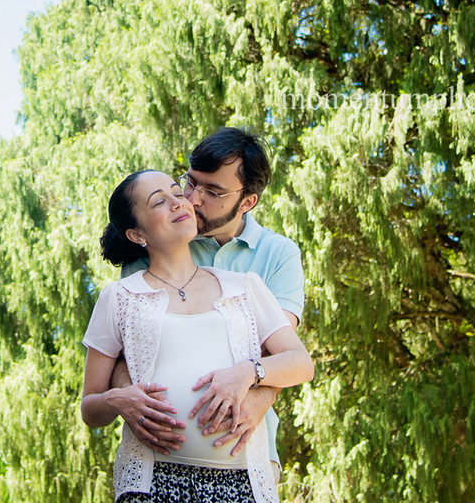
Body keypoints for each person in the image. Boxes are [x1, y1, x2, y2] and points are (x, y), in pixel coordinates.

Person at [81, 171, 313, 503]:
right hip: (150, 484)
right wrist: (118, 401)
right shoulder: (118, 297)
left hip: (243, 484)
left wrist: (250, 371)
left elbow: (301, 364)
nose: (180, 203)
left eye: (178, 193)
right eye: (160, 201)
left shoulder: (244, 287)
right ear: (136, 234)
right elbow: (90, 408)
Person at [114, 128, 304, 472]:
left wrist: (260, 397)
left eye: (213, 191)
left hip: (245, 454)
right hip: (153, 460)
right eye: (191, 182)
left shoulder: (279, 254)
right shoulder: (156, 241)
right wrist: (131, 402)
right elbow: (121, 349)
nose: (193, 199)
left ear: (247, 202)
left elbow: (277, 350)